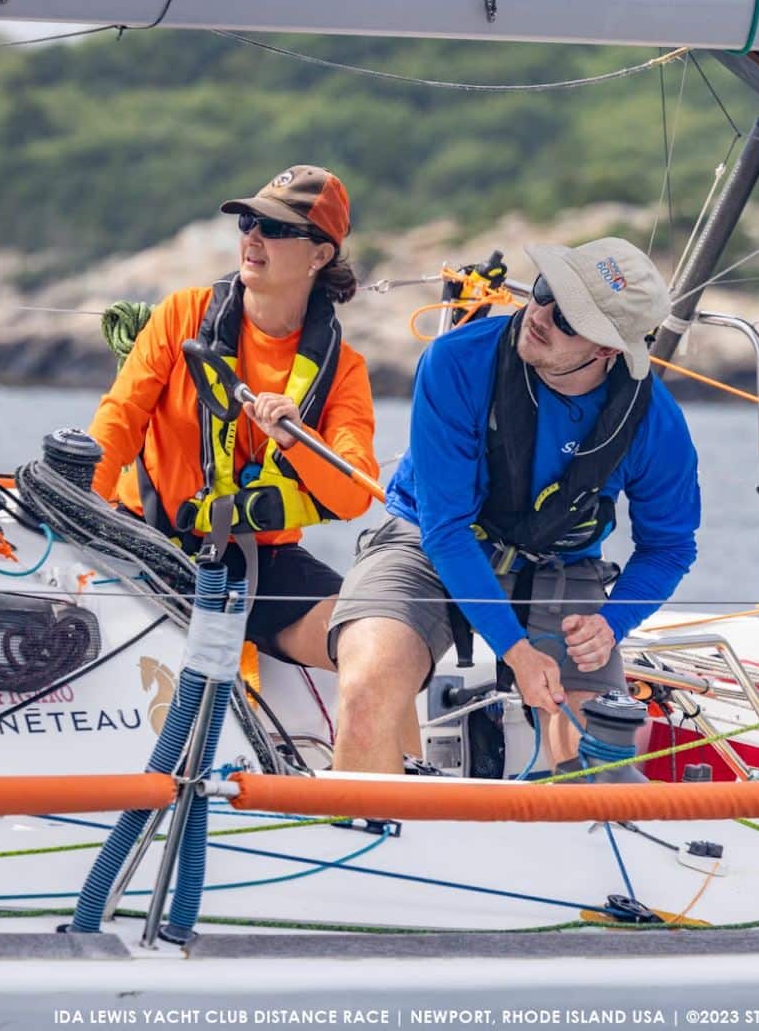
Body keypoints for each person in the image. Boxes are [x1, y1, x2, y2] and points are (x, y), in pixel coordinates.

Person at [328, 238, 701, 774]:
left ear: (608, 350)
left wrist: (610, 624)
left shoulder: (655, 424)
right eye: (548, 291)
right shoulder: (455, 361)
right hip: (427, 543)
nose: (542, 316)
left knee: (598, 753)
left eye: (571, 318)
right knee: (366, 693)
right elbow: (446, 530)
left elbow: (669, 547)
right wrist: (515, 650)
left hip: (557, 565)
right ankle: (371, 837)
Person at [87, 165, 379, 670]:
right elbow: (120, 418)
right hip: (150, 540)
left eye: (278, 228)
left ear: (320, 255)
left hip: (258, 566)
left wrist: (296, 439)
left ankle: (385, 752)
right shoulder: (182, 315)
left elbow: (356, 495)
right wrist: (79, 512)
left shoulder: (345, 370)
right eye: (248, 224)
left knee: (377, 645)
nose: (255, 237)